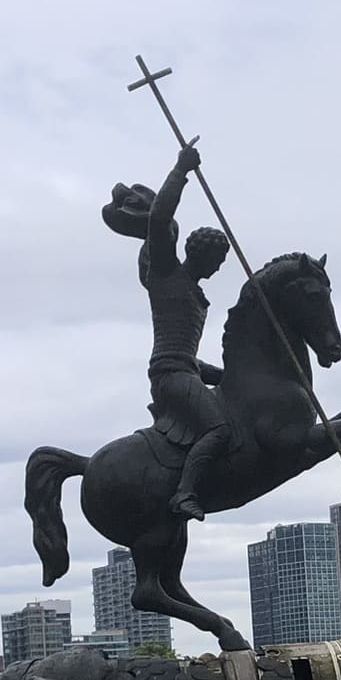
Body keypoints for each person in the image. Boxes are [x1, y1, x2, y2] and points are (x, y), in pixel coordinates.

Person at [105, 144, 232, 520]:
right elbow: (160, 219)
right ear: (202, 255)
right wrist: (181, 170)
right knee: (219, 429)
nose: (217, 269)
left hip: (183, 370)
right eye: (216, 261)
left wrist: (229, 376)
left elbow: (188, 357)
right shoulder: (166, 274)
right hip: (169, 376)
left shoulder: (194, 294)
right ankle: (185, 493)